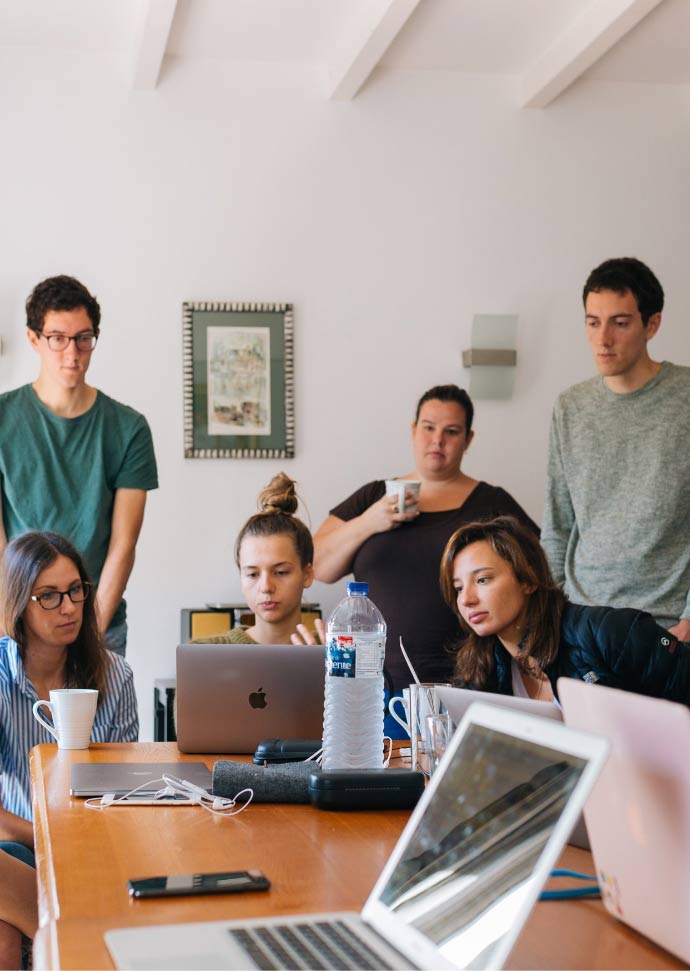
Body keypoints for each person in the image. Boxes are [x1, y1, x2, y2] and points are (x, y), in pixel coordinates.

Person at [313, 385, 538, 691]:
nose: (437, 440)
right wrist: (369, 522)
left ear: (468, 439)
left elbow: (537, 575)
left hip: (469, 682)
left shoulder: (491, 502)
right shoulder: (374, 496)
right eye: (428, 428)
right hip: (370, 686)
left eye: (452, 431)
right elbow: (317, 566)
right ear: (413, 430)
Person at [0, 275, 159, 656]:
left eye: (83, 338)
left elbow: (124, 544)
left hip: (99, 621)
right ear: (34, 339)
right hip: (17, 618)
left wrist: (91, 630)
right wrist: (9, 626)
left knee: (100, 718)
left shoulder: (128, 428)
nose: (72, 353)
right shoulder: (4, 419)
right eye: (57, 338)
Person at [542, 257, 690, 643]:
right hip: (582, 624)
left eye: (620, 323)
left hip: (669, 627)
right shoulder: (570, 407)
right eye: (593, 322)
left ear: (651, 324)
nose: (603, 338)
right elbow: (557, 526)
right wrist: (553, 611)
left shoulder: (685, 399)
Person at [0, 531, 139, 877]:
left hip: (98, 843)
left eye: (75, 590)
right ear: (19, 602)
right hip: (21, 842)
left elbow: (126, 789)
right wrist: (50, 838)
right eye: (48, 596)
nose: (68, 607)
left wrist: (80, 842)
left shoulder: (116, 674)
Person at [440, 516, 690, 702]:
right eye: (459, 587)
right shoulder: (480, 667)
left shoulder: (611, 632)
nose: (466, 599)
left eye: (483, 580)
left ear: (527, 579)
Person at [198, 473, 323, 646]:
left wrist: (327, 672)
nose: (266, 587)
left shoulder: (337, 653)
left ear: (307, 574)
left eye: (280, 572)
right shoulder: (203, 653)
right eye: (252, 574)